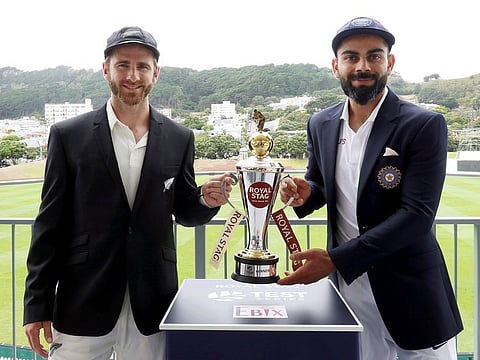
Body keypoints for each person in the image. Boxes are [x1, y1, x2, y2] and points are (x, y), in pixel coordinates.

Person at [23, 26, 232, 360]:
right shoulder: (67, 135)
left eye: (142, 66)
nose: (132, 75)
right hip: (82, 299)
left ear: (156, 73)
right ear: (106, 69)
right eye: (123, 65)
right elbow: (50, 225)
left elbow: (185, 211)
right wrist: (36, 304)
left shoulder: (180, 137)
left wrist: (206, 200)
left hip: (152, 303)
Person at [278, 17, 463, 360]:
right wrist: (307, 193)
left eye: (374, 56)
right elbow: (319, 182)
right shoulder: (320, 122)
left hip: (412, 291)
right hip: (350, 294)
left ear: (389, 63)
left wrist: (335, 259)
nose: (362, 66)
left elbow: (416, 216)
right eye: (351, 57)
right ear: (336, 66)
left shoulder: (423, 124)